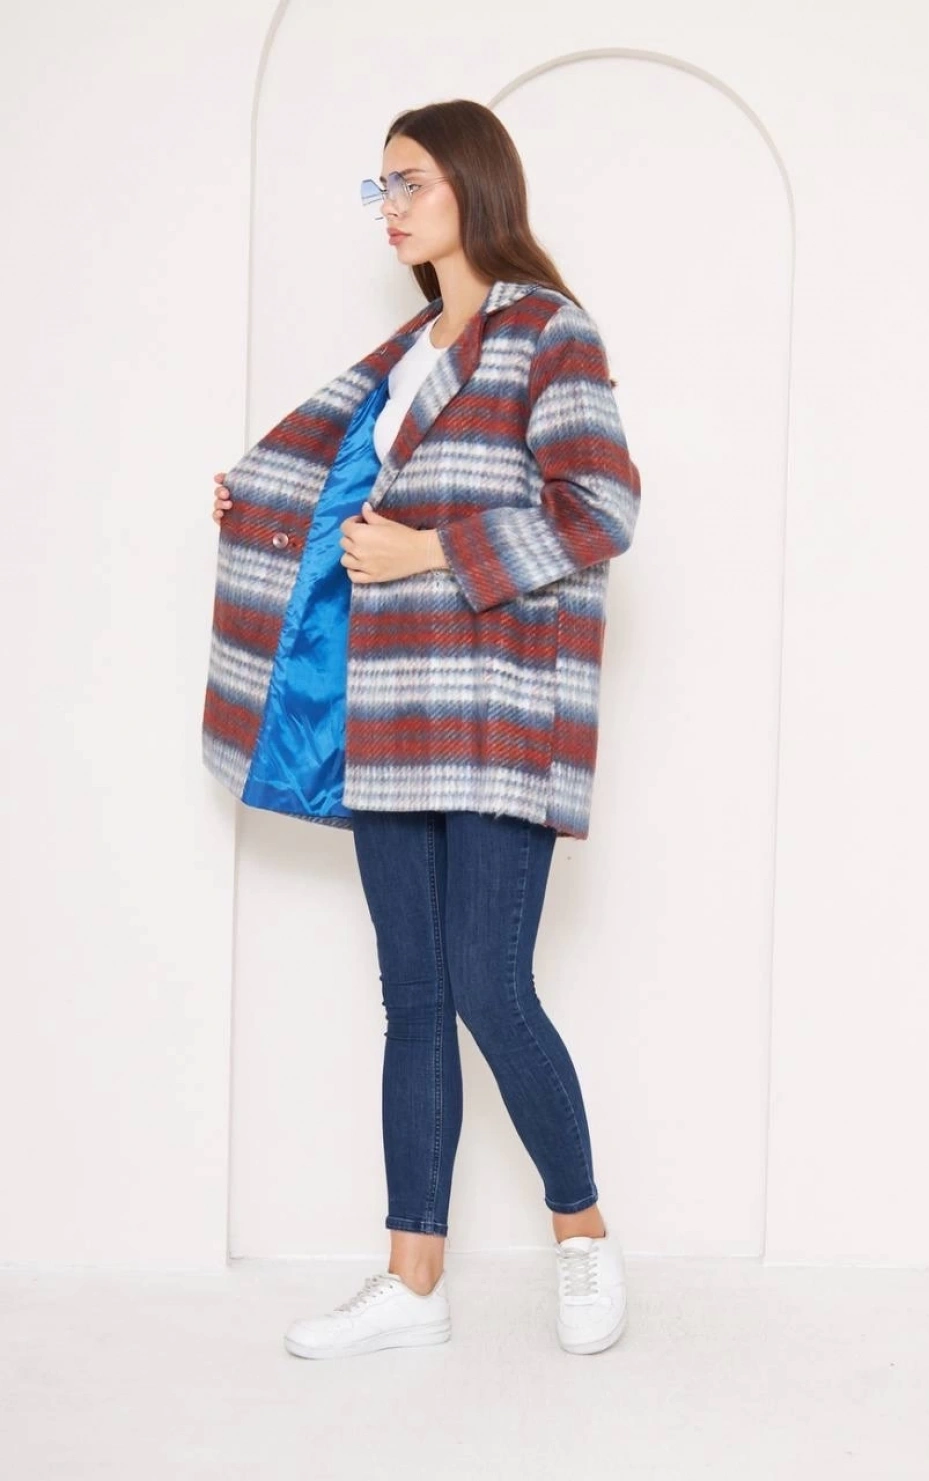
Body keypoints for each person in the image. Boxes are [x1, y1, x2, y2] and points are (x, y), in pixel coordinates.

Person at [206, 98, 641, 1359]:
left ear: (472, 184)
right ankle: (413, 1278)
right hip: (389, 708)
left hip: (499, 709)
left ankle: (582, 1232)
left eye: (408, 182)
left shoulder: (548, 332)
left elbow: (600, 508)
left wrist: (431, 552)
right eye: (380, 187)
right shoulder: (404, 352)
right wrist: (262, 503)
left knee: (491, 986)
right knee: (413, 996)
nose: (388, 207)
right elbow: (344, 491)